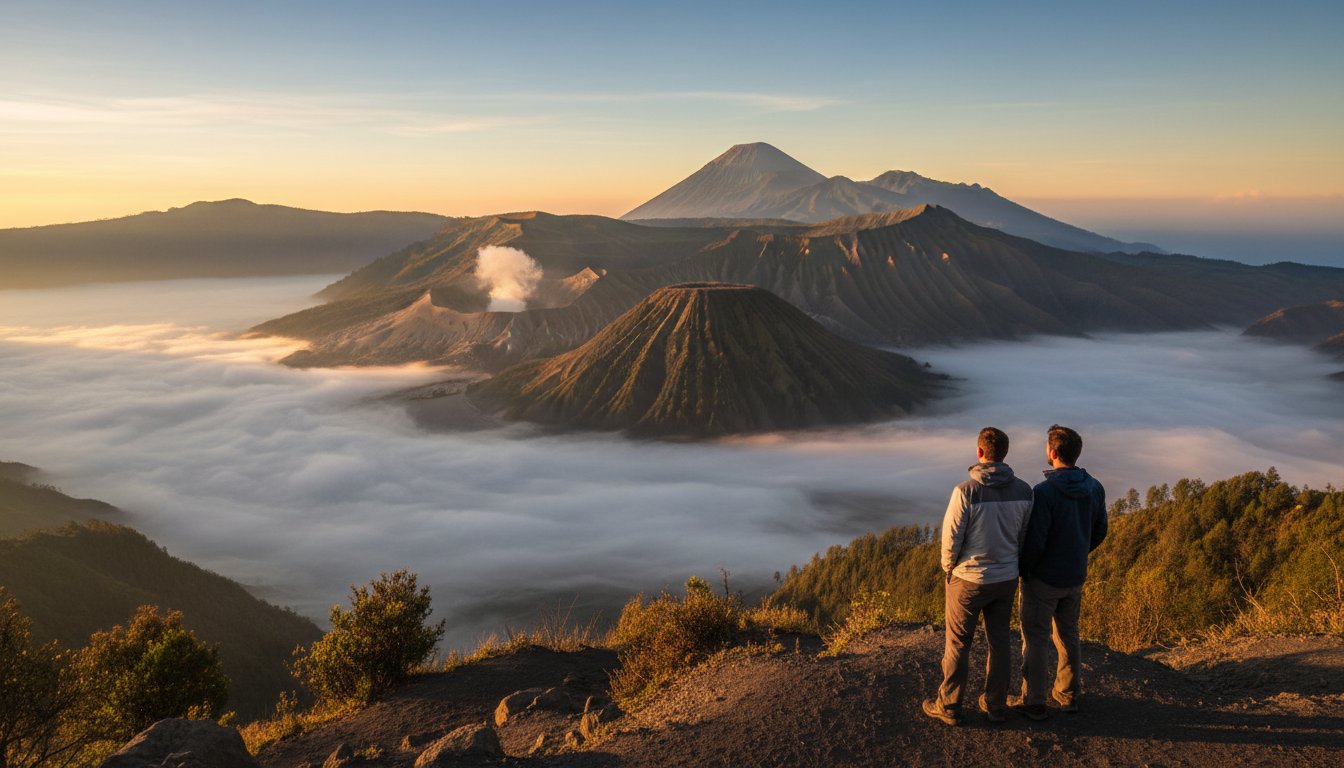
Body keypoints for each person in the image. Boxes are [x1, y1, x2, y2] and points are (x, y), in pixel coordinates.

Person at [922, 427, 1033, 726]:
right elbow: (1023, 537)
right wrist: (1013, 565)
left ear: (980, 453)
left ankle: (948, 705)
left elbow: (951, 539)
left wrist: (949, 569)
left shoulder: (966, 491)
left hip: (968, 579)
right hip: (1006, 577)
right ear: (1004, 454)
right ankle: (995, 705)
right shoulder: (1025, 491)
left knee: (958, 643)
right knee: (1000, 642)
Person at [1012, 424, 1107, 720]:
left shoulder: (1044, 492)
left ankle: (1034, 701)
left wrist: (1024, 569)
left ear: (1052, 453)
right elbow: (1100, 530)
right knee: (1068, 635)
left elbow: (1036, 539)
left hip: (1043, 578)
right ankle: (1068, 695)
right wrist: (1079, 552)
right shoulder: (1095, 487)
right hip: (1074, 576)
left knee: (1036, 638)